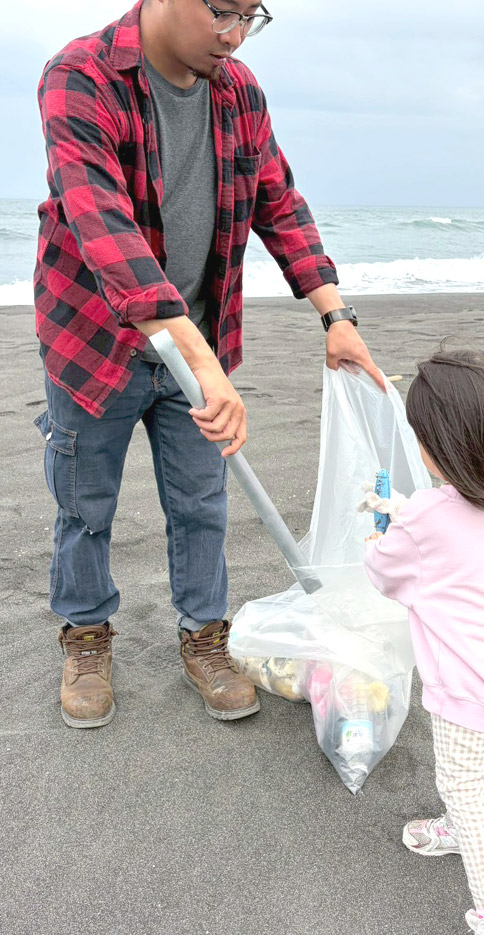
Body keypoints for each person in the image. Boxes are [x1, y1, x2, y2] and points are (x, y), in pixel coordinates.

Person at [34, 0, 383, 729]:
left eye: (253, 16)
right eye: (223, 10)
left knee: (202, 503)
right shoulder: (81, 76)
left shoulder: (238, 90)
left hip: (200, 343)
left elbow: (279, 202)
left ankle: (204, 634)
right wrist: (201, 358)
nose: (235, 35)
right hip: (95, 342)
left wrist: (336, 316)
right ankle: (87, 634)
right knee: (84, 505)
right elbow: (103, 227)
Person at [361, 349, 484, 935]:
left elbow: (384, 572)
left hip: (468, 680)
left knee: (465, 784)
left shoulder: (427, 519)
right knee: (468, 767)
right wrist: (405, 515)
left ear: (434, 446)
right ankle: (459, 827)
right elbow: (448, 539)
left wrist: (380, 529)